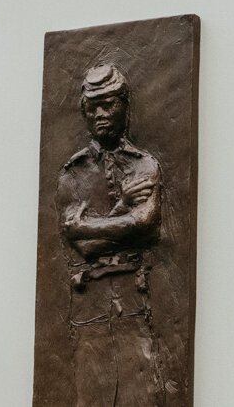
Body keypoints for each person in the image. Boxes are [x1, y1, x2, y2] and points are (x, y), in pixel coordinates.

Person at [55, 64, 165, 406]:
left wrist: (86, 226)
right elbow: (82, 248)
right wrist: (123, 215)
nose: (101, 114)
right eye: (93, 107)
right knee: (91, 393)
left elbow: (146, 223)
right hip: (89, 298)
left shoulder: (144, 165)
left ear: (124, 105)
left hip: (131, 294)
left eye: (109, 104)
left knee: (141, 392)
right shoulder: (72, 174)